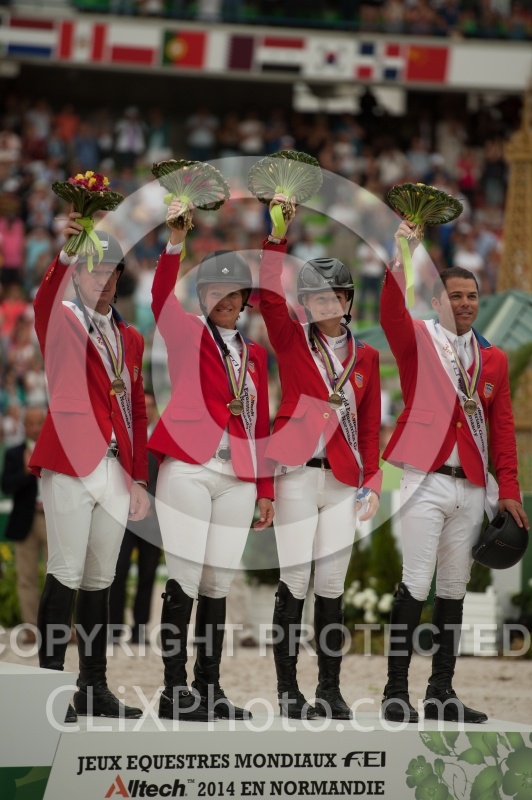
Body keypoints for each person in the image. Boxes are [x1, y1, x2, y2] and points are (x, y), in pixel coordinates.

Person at [380, 220, 529, 724]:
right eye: (456, 296)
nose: (465, 303)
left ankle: (440, 692)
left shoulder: (493, 359)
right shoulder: (418, 340)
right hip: (425, 480)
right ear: (437, 301)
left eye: (472, 296)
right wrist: (403, 254)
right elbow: (390, 312)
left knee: (454, 587)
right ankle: (395, 692)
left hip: (472, 487)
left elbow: (501, 430)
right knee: (415, 581)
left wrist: (510, 490)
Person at [149, 198, 274, 722]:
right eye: (217, 292)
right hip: (189, 468)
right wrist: (175, 242)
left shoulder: (256, 355)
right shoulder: (187, 333)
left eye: (234, 292)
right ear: (204, 296)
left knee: (217, 584)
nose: (226, 299)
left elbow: (261, 423)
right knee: (184, 576)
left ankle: (210, 687)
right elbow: (159, 298)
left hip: (238, 477)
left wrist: (265, 489)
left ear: (244, 299)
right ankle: (174, 689)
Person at [259, 194, 382, 720]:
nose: (327, 303)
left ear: (349, 300)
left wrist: (373, 479)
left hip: (343, 479)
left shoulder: (367, 356)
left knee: (331, 586)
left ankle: (329, 689)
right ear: (306, 304)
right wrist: (276, 236)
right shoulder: (292, 341)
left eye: (335, 295)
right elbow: (268, 299)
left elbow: (370, 425)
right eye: (316, 297)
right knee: (295, 580)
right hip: (295, 474)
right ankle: (289, 691)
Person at [29, 213, 150, 724]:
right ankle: (50, 687)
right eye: (93, 270)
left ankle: (93, 686)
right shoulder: (63, 320)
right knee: (66, 572)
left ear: (119, 277)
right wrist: (65, 254)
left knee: (102, 579)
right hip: (71, 463)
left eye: (110, 272)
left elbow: (137, 408)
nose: (102, 280)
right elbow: (43, 301)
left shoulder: (131, 338)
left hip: (116, 470)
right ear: (78, 275)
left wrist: (140, 476)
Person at [109, 389, 162, 645]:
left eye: (151, 405)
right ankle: (114, 627)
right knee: (118, 571)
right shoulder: (125, 437)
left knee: (147, 575)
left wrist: (153, 505)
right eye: (145, 405)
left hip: (153, 520)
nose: (148, 409)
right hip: (125, 516)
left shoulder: (162, 439)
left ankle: (140, 628)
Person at [1, 406, 47, 645]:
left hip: (52, 519)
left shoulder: (57, 450)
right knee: (26, 577)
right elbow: (6, 486)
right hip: (24, 521)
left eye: (40, 423)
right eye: (31, 423)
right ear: (24, 426)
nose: (36, 428)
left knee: (60, 577)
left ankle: (62, 628)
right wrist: (27, 471)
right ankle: (31, 629)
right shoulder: (14, 453)